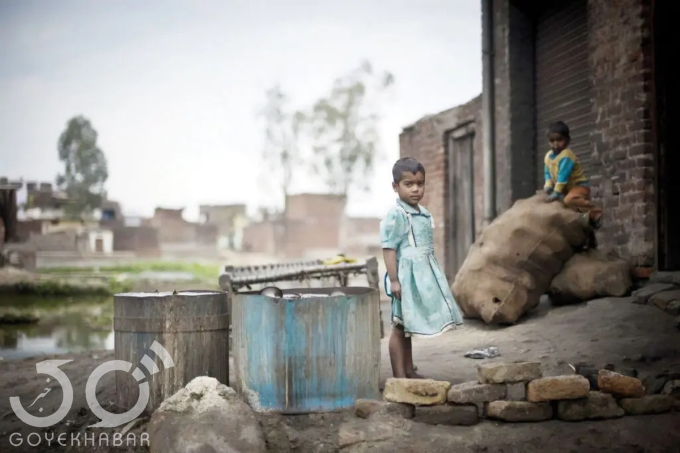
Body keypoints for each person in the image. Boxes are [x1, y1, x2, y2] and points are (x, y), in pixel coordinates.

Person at [379, 157, 464, 379]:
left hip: (420, 277)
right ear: (395, 187)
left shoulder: (423, 213)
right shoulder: (397, 214)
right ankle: (399, 377)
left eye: (420, 183)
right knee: (399, 326)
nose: (416, 189)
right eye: (409, 184)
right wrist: (395, 280)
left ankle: (409, 369)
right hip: (405, 278)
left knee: (408, 325)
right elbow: (388, 249)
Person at [543, 121, 603, 229]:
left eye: (559, 139)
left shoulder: (566, 156)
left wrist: (556, 192)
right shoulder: (548, 156)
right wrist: (548, 185)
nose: (555, 144)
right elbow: (547, 172)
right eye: (552, 141)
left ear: (567, 140)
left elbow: (563, 175)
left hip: (579, 186)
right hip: (566, 189)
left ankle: (596, 212)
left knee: (569, 200)